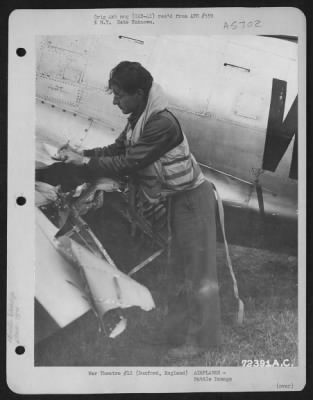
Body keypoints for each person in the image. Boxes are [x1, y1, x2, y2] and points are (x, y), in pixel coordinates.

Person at [61, 61, 222, 357]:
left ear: (138, 93)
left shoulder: (160, 122)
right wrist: (82, 153)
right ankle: (174, 337)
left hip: (193, 200)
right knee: (177, 271)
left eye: (119, 94)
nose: (114, 100)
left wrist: (84, 163)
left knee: (199, 273)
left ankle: (202, 341)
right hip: (176, 200)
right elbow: (117, 149)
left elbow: (129, 162)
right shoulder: (139, 116)